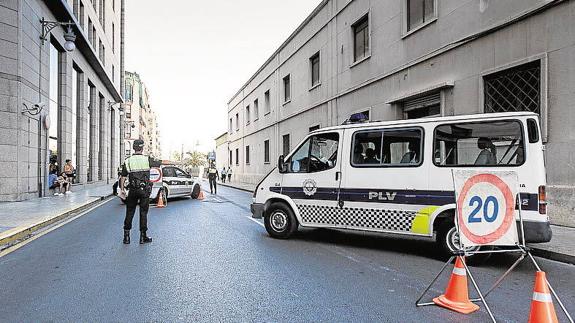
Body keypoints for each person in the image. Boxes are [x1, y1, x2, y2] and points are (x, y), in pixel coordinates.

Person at [120, 139, 160, 245]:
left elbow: (123, 177)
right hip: (144, 190)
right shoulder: (147, 159)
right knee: (143, 213)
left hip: (132, 190)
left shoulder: (128, 160)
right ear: (142, 148)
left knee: (130, 212)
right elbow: (158, 164)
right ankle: (143, 237)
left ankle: (126, 238)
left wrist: (122, 190)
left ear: (133, 148)